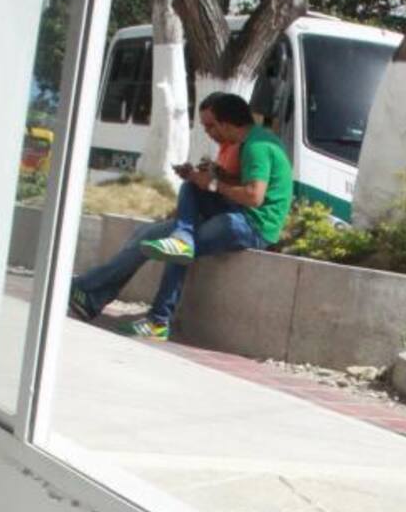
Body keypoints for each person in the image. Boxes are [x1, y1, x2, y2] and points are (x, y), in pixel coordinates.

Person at [69, 91, 292, 339]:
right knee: (184, 198)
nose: (208, 133)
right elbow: (247, 183)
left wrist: (213, 184)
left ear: (228, 124)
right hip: (239, 215)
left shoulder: (257, 147)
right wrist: (212, 176)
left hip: (252, 226)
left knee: (179, 248)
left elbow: (254, 196)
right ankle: (178, 238)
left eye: (211, 126)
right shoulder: (255, 140)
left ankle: (155, 319)